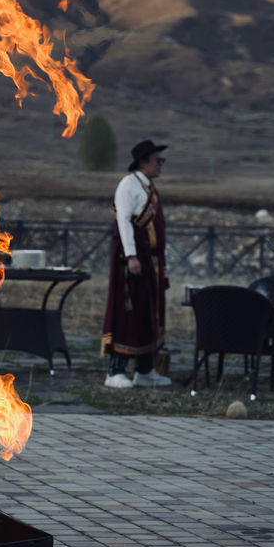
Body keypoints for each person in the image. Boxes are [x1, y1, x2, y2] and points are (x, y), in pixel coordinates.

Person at [101, 139, 172, 388]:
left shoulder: (148, 187)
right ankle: (116, 370)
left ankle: (145, 368)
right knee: (128, 311)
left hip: (150, 262)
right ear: (143, 163)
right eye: (157, 161)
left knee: (148, 312)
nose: (161, 165)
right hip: (131, 261)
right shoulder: (128, 185)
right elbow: (124, 223)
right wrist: (131, 256)